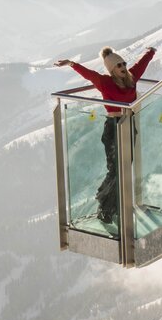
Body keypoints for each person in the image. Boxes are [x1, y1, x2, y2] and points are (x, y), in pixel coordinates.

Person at [55, 46, 156, 224]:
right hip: (113, 126)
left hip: (129, 124)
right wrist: (71, 63)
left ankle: (113, 206)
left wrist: (151, 51)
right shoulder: (105, 82)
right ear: (112, 69)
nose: (123, 67)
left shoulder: (131, 78)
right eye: (119, 65)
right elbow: (88, 74)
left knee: (124, 167)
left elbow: (142, 64)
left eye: (123, 63)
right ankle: (105, 207)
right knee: (115, 169)